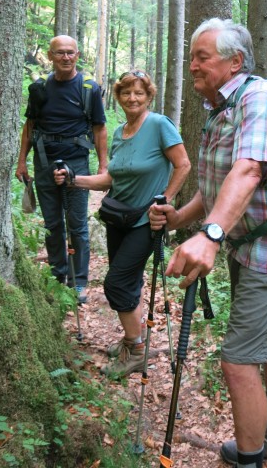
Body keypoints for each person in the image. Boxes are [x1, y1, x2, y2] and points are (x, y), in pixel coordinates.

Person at [149, 19, 267, 468]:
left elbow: (249, 171)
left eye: (202, 57)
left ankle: (251, 458)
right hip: (249, 245)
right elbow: (217, 183)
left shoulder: (258, 99)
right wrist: (182, 218)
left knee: (238, 362)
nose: (192, 65)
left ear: (235, 61)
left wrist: (211, 235)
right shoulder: (223, 107)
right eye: (192, 56)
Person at [54, 69, 190, 377]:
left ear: (149, 96)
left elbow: (183, 164)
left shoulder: (158, 125)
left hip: (146, 220)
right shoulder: (119, 133)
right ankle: (134, 339)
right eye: (126, 92)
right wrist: (75, 180)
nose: (132, 98)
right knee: (128, 282)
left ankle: (137, 352)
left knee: (116, 283)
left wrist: (164, 201)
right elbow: (111, 178)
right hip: (118, 218)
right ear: (119, 97)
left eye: (139, 93)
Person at [16, 35, 108, 304]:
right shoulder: (40, 88)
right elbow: (29, 127)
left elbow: (100, 129)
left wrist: (103, 166)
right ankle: (59, 278)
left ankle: (79, 283)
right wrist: (22, 161)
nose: (65, 58)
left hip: (77, 163)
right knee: (53, 224)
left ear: (77, 55)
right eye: (60, 53)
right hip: (44, 163)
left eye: (70, 53)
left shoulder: (89, 89)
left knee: (77, 224)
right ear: (50, 55)